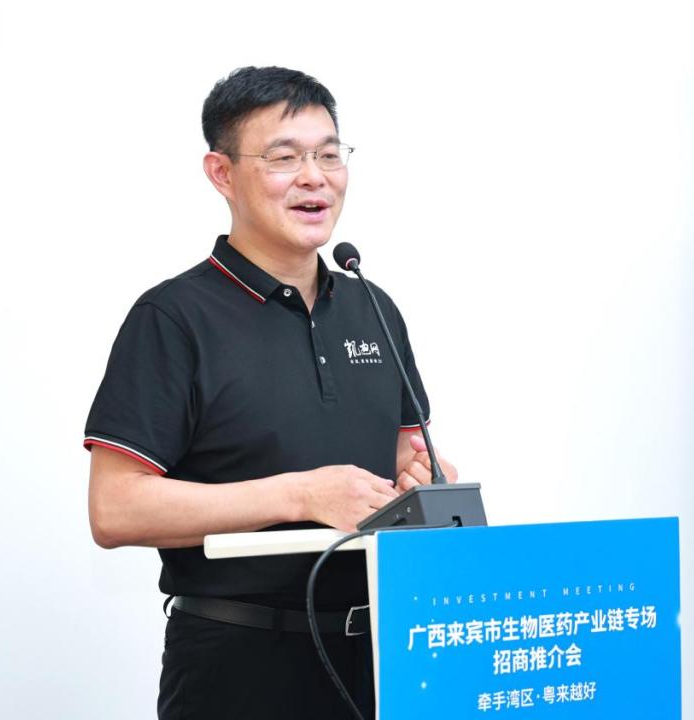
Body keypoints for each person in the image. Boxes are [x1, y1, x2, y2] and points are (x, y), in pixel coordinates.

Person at [83, 66, 457, 719]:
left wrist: (423, 481)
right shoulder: (173, 317)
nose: (315, 177)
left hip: (385, 655)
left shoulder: (372, 306)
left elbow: (405, 454)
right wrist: (300, 495)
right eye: (284, 158)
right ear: (221, 173)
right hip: (240, 662)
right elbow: (114, 510)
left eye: (329, 155)